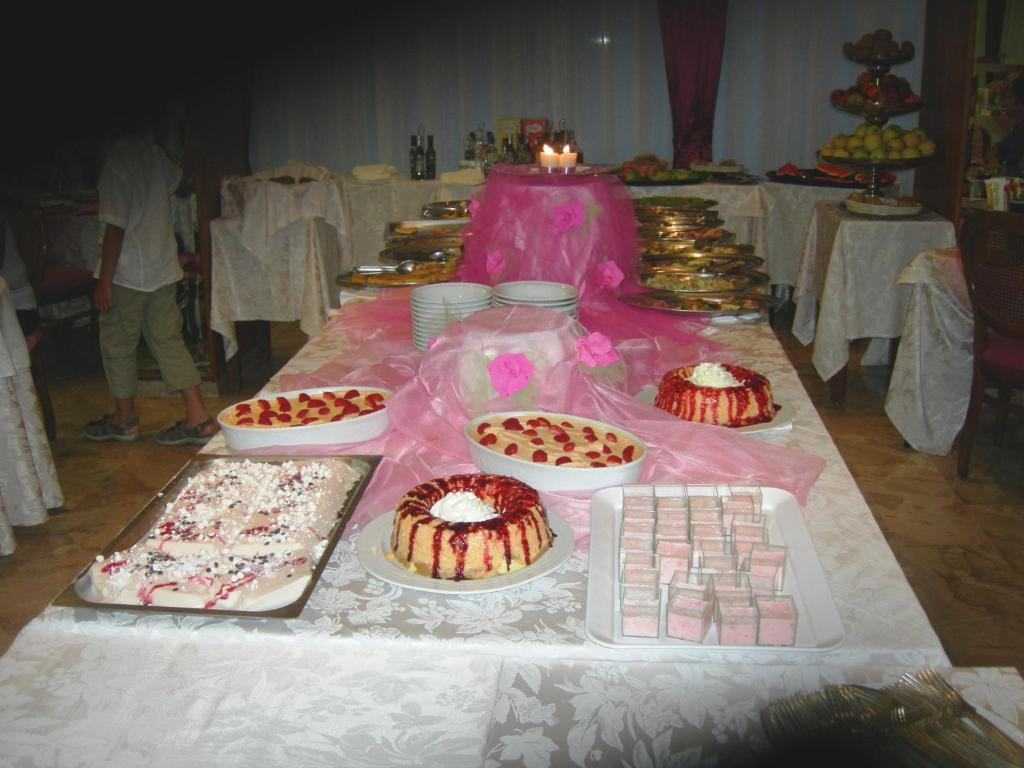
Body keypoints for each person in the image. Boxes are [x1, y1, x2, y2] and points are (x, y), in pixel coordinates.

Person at [84, 103, 216, 446]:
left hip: (127, 273)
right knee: (168, 340)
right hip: (161, 267)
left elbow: (115, 228)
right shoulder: (154, 154)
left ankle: (124, 418)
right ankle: (198, 416)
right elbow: (179, 183)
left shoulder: (116, 165)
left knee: (118, 342)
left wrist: (104, 281)